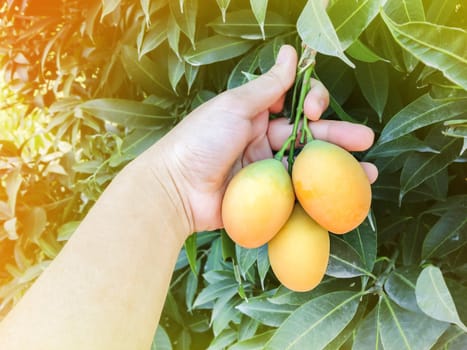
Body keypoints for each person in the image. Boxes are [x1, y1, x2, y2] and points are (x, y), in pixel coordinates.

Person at [0, 45, 377, 349]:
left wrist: (171, 188)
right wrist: (170, 186)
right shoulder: (294, 169)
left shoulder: (297, 170)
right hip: (287, 173)